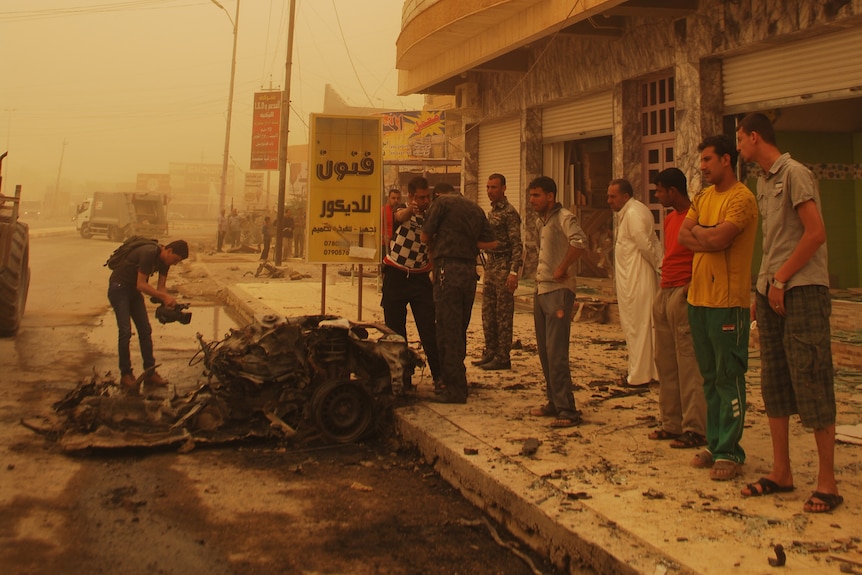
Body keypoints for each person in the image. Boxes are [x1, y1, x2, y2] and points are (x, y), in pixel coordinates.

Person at [736, 112, 842, 512]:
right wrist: (762, 287)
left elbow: (815, 233)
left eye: (741, 140)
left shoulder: (795, 173)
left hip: (801, 289)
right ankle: (782, 472)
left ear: (756, 137)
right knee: (775, 380)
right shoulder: (762, 182)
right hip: (772, 288)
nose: (740, 148)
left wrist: (780, 279)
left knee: (812, 376)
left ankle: (827, 483)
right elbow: (775, 240)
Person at [678, 134, 758, 481]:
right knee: (708, 378)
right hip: (698, 300)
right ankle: (714, 443)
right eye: (702, 162)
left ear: (727, 159)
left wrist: (705, 235)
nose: (703, 167)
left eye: (708, 160)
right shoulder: (702, 196)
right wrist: (706, 236)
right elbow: (684, 237)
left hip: (728, 304)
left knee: (729, 378)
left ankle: (730, 451)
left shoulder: (742, 199)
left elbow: (718, 239)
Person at [421, 182, 497, 404]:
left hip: (447, 270)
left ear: (438, 193)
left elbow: (425, 237)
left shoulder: (441, 203)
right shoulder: (475, 208)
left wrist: (445, 241)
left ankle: (454, 389)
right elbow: (492, 242)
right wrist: (466, 242)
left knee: (447, 329)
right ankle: (457, 381)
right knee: (460, 328)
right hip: (469, 272)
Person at [649, 168, 707, 448]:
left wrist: (690, 286)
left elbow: (706, 253)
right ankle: (671, 423)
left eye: (660, 190)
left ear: (672, 191)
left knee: (688, 363)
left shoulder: (696, 217)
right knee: (666, 361)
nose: (657, 196)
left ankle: (695, 428)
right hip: (665, 290)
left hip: (683, 292)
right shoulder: (670, 218)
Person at [526, 176, 587, 428]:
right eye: (531, 196)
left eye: (537, 195)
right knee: (545, 351)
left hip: (558, 292)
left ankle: (567, 410)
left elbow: (580, 242)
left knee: (557, 352)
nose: (532, 200)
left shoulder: (564, 217)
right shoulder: (544, 221)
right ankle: (554, 401)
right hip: (542, 290)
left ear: (550, 196)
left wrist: (563, 268)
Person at [381, 177, 441, 390]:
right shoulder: (403, 210)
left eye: (426, 197)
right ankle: (402, 380)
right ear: (411, 196)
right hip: (395, 275)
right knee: (395, 333)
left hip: (420, 279)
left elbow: (433, 245)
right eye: (419, 197)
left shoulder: (433, 214)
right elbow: (400, 216)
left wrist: (434, 271)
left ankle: (439, 377)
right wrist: (411, 210)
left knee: (429, 330)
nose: (423, 201)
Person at [108, 239, 189, 393]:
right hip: (119, 289)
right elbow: (141, 284)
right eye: (175, 260)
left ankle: (150, 373)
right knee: (125, 331)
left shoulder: (166, 262)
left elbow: (161, 288)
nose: (175, 263)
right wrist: (164, 297)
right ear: (169, 251)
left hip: (133, 291)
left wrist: (170, 303)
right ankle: (126, 374)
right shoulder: (149, 253)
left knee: (145, 330)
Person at [607, 178, 661, 387]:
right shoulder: (631, 212)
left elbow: (646, 245)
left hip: (638, 279)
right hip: (632, 279)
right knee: (639, 327)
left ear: (625, 196)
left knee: (638, 327)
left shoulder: (634, 213)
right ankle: (647, 372)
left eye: (613, 196)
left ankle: (638, 376)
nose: (609, 200)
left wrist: (659, 267)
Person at [474, 174, 523, 371]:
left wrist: (514, 272)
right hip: (491, 266)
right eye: (487, 187)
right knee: (488, 313)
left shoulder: (509, 213)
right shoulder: (492, 211)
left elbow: (517, 245)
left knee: (502, 314)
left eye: (493, 187)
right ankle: (491, 351)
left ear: (504, 188)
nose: (489, 191)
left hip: (504, 265)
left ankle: (503, 357)